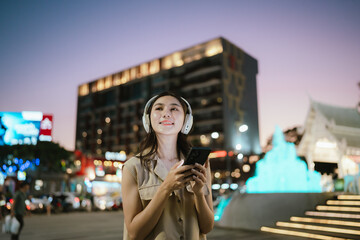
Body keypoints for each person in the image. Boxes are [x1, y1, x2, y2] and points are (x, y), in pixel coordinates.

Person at [122, 91, 214, 240]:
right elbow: (134, 233)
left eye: (174, 109)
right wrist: (166, 188)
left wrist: (198, 193)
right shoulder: (132, 168)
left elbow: (207, 227)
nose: (166, 113)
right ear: (148, 119)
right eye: (159, 108)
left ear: (186, 120)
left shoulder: (200, 164)